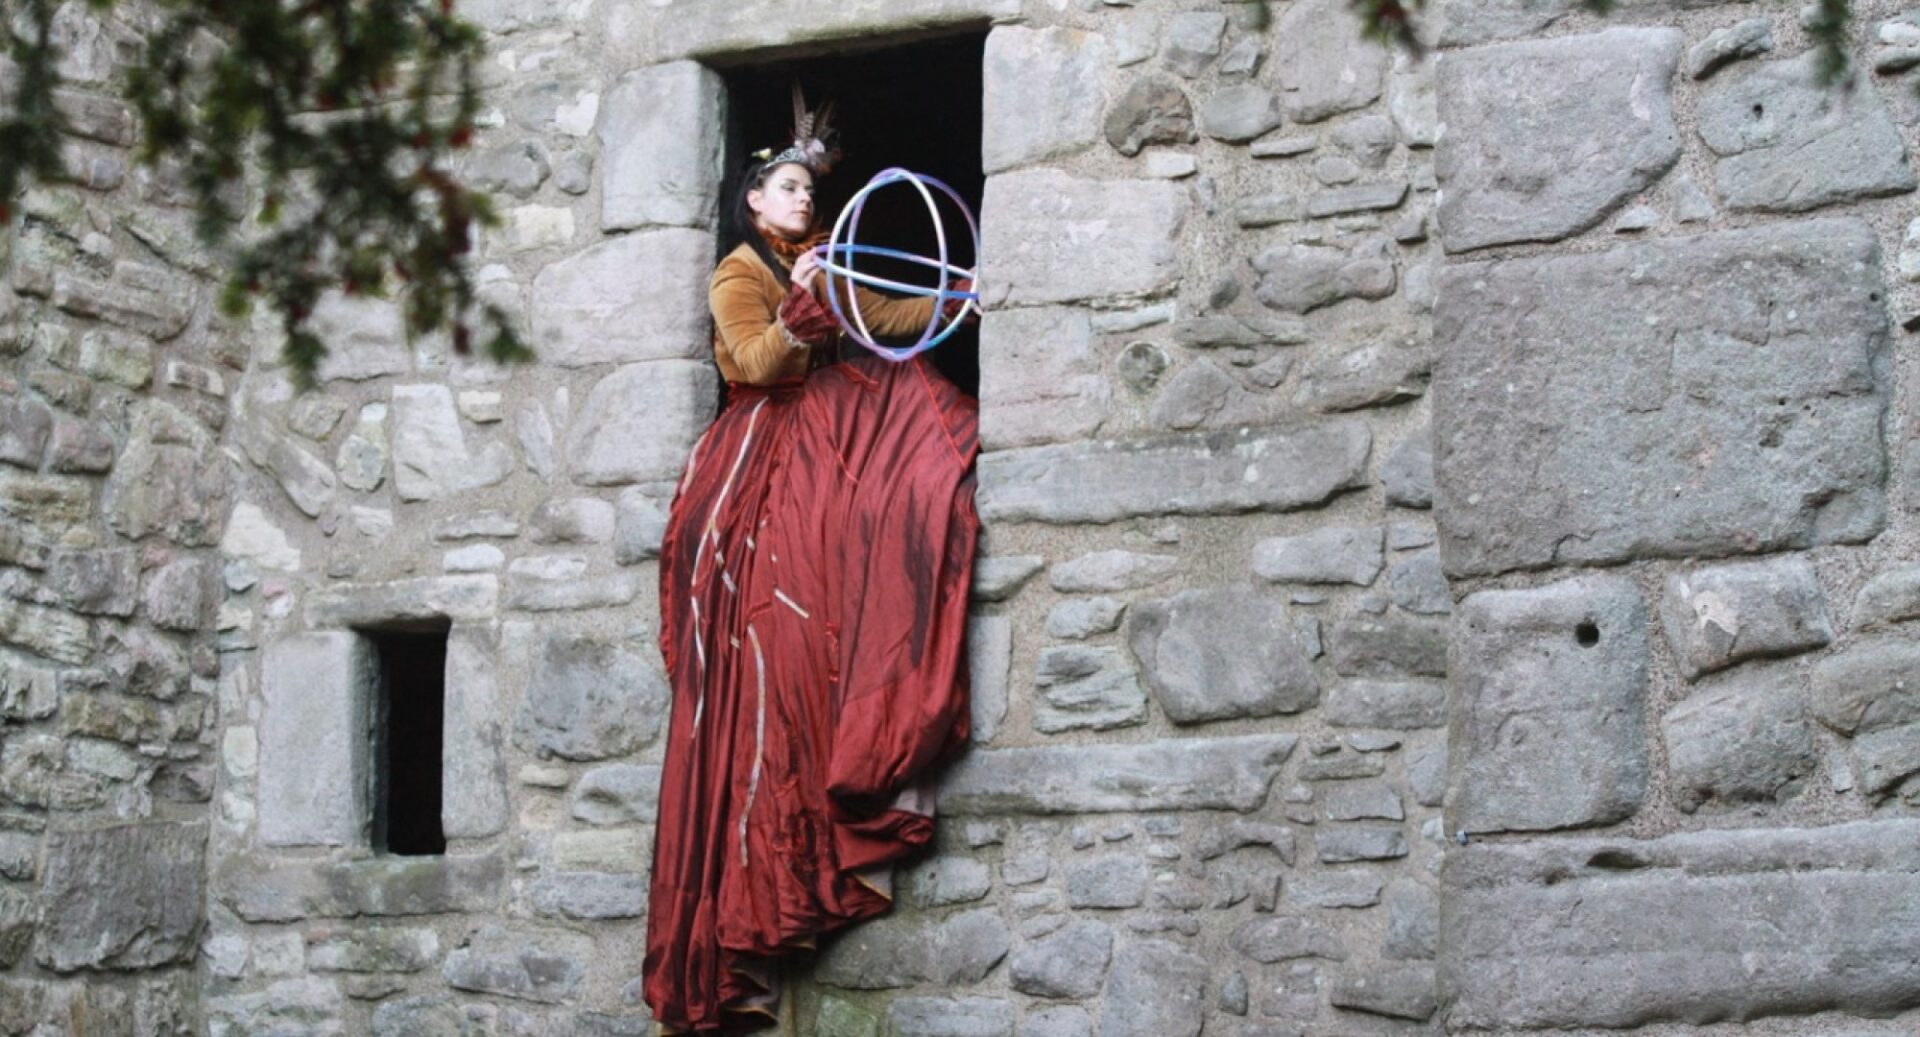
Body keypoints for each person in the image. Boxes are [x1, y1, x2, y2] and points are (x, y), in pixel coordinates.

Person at [642, 91, 981, 1036]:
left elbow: (886, 315)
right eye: (787, 187)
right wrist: (803, 305)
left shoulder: (827, 268)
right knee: (773, 643)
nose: (800, 199)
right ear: (756, 201)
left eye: (806, 188)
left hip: (826, 436)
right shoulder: (740, 272)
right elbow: (751, 362)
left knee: (911, 405)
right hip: (761, 451)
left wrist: (960, 298)